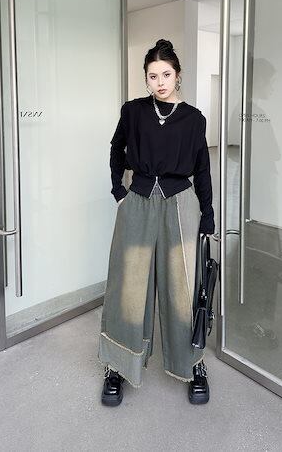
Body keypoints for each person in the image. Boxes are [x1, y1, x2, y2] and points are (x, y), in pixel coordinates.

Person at [98, 39, 215, 406]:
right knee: (128, 285)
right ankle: (118, 364)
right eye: (153, 76)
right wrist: (119, 190)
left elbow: (202, 168)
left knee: (183, 288)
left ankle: (192, 362)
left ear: (178, 75)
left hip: (180, 204)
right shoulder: (133, 111)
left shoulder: (194, 118)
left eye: (166, 74)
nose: (160, 82)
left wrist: (208, 214)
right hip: (138, 201)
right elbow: (116, 148)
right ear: (146, 78)